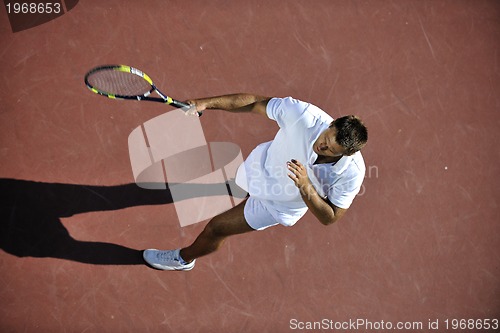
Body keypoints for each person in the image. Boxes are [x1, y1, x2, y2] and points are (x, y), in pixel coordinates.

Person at [143, 94, 368, 271]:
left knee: (216, 228)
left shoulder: (352, 174)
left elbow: (330, 217)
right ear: (331, 125)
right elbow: (255, 102)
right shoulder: (303, 115)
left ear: (346, 154)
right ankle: (239, 188)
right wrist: (205, 104)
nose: (322, 147)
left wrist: (305, 186)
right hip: (259, 170)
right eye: (325, 139)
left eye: (331, 149)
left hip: (278, 205)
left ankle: (183, 259)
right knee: (236, 185)